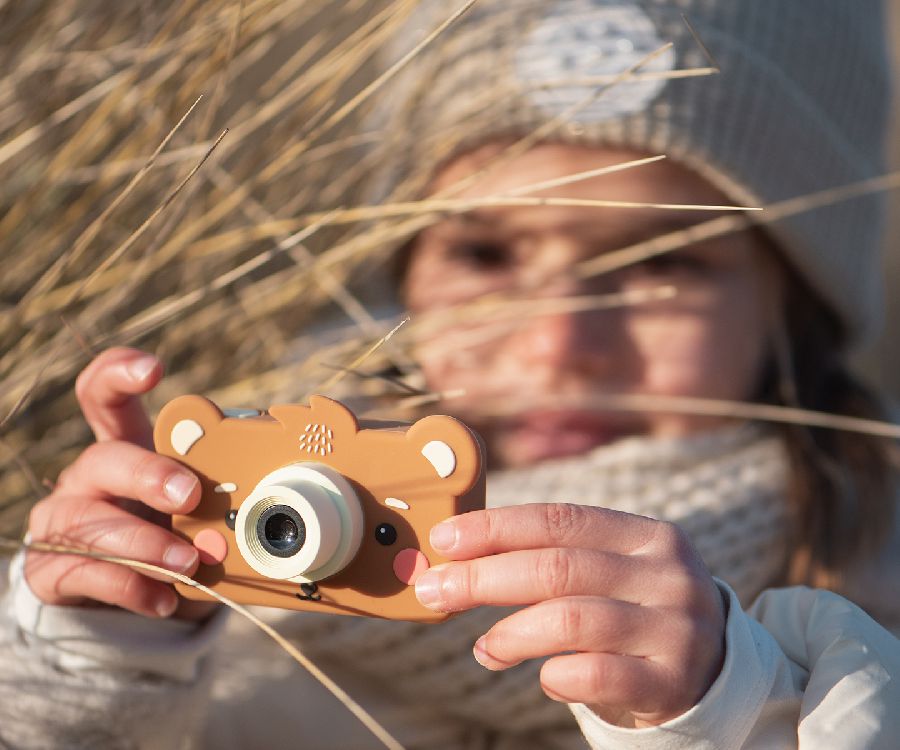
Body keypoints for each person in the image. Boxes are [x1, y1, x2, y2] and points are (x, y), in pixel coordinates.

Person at [2, 1, 899, 748]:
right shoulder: (246, 556)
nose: (553, 344)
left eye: (658, 263)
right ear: (404, 272)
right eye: (484, 251)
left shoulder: (856, 641)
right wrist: (96, 653)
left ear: (796, 308)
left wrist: (723, 706)